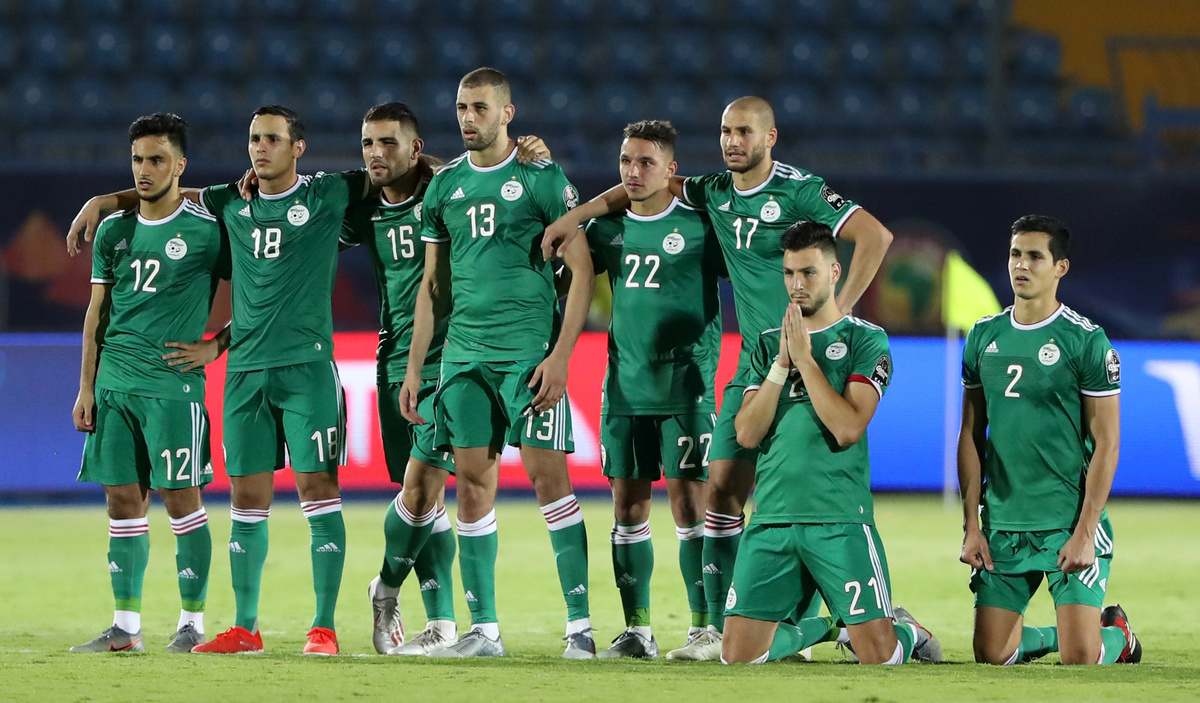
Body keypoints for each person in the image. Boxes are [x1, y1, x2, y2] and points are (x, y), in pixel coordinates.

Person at [542, 97, 894, 659]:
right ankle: (720, 628)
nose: (732, 141)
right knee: (722, 492)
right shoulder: (713, 193)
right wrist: (574, 216)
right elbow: (644, 187)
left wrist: (836, 318)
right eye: (726, 131)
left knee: (798, 500)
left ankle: (818, 622)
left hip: (812, 365)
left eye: (744, 132)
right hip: (757, 364)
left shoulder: (800, 190)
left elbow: (875, 237)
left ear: (770, 137)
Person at [403, 67, 595, 658]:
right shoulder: (443, 187)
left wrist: (561, 357)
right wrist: (416, 367)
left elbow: (583, 272)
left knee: (551, 484)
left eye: (480, 107)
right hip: (464, 360)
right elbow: (433, 286)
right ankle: (483, 631)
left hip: (528, 360)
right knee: (471, 488)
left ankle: (580, 629)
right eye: (462, 107)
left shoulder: (541, 178)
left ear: (507, 114)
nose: (468, 117)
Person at [343, 101, 545, 656]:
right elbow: (284, 198)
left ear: (416, 148)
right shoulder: (360, 203)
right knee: (420, 496)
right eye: (368, 143)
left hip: (463, 356)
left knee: (433, 482)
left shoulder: (451, 187)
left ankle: (401, 596)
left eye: (389, 142)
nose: (376, 153)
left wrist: (528, 155)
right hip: (399, 361)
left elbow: (494, 173)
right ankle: (435, 620)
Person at [721, 220, 939, 666]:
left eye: (808, 273)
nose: (796, 285)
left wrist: (806, 360)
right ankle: (826, 627)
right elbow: (746, 433)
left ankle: (907, 632)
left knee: (879, 657)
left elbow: (848, 427)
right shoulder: (766, 346)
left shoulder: (865, 340)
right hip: (773, 517)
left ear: (835, 272)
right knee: (737, 657)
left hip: (838, 519)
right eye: (789, 273)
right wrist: (781, 366)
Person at [70, 112, 230, 654]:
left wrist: (216, 345)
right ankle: (125, 628)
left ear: (180, 165)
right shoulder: (113, 230)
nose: (144, 169)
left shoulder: (208, 231)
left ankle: (192, 623)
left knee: (181, 501)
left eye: (157, 159)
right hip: (114, 386)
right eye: (137, 159)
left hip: (172, 387)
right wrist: (86, 387)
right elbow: (96, 315)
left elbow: (264, 293)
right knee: (121, 501)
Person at [958, 215, 1140, 666]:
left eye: (1034, 256)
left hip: (1066, 522)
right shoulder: (983, 336)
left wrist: (1085, 533)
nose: (1021, 265)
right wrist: (971, 526)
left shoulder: (1086, 341)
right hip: (1004, 522)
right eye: (1015, 254)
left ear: (1060, 267)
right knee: (991, 654)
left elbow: (1108, 443)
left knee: (1080, 659)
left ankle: (1116, 636)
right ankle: (1068, 634)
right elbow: (970, 434)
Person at [584, 120, 722, 659]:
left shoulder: (701, 225)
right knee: (628, 508)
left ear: (671, 169)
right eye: (626, 161)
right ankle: (637, 630)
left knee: (691, 506)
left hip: (686, 389)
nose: (633, 171)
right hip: (624, 387)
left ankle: (705, 628)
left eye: (645, 162)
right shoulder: (604, 229)